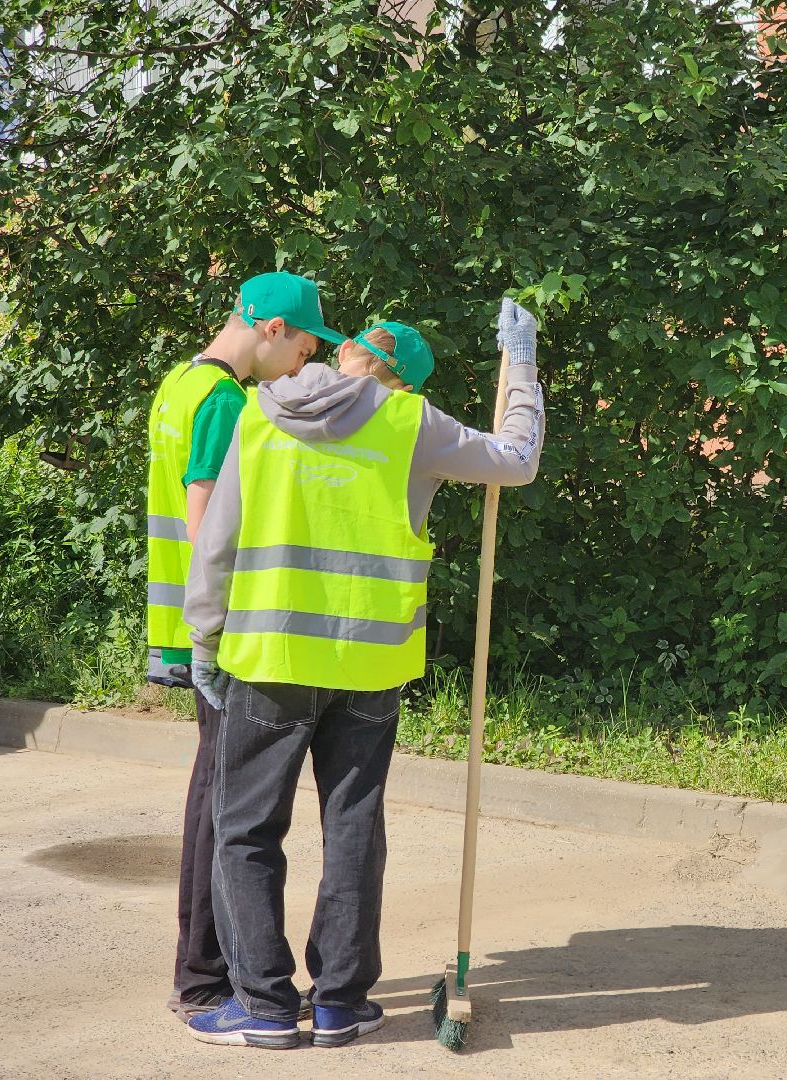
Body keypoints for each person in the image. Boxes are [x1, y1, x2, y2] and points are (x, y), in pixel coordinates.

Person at [182, 301, 545, 1049]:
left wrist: (204, 638)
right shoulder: (412, 423)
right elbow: (517, 460)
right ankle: (340, 1003)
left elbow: (218, 540)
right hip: (370, 665)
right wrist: (522, 367)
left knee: (245, 829)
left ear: (346, 349)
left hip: (271, 658)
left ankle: (264, 1006)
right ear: (406, 382)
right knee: (352, 826)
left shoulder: (260, 410)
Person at [147, 272, 345, 1021]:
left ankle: (202, 971)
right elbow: (209, 526)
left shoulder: (179, 385)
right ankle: (206, 978)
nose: (300, 365)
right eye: (303, 349)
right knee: (226, 812)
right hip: (220, 635)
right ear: (271, 329)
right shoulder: (226, 403)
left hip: (181, 623)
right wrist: (222, 631)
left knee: (213, 798)